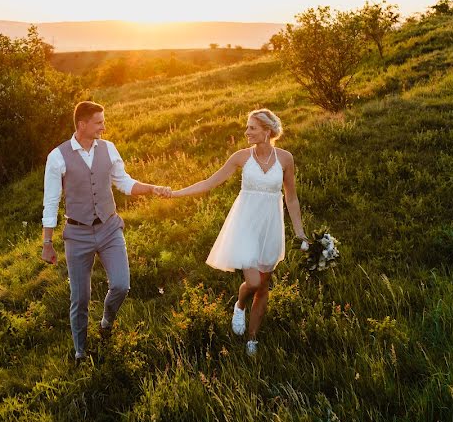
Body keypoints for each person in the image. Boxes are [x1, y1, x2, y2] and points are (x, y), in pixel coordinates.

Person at [41, 101, 171, 363]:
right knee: (80, 298)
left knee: (122, 285)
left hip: (110, 228)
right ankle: (80, 351)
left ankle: (107, 322)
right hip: (77, 235)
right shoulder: (57, 157)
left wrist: (152, 188)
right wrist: (48, 242)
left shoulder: (109, 149)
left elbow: (124, 183)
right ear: (82, 125)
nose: (104, 126)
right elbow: (51, 201)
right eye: (99, 122)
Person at [171, 108, 307, 356]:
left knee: (264, 286)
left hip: (270, 225)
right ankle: (239, 304)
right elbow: (208, 183)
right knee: (253, 281)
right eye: (247, 127)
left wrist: (300, 233)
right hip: (245, 224)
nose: (246, 132)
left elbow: (292, 198)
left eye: (252, 128)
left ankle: (252, 338)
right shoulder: (241, 157)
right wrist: (175, 193)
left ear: (267, 131)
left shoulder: (285, 158)